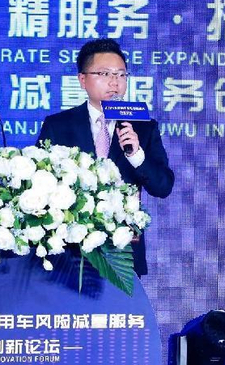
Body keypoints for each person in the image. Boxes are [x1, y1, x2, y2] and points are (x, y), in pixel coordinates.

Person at [37, 39, 174, 275]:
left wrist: (137, 156)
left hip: (123, 255)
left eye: (121, 75)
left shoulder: (143, 127)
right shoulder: (58, 125)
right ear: (82, 80)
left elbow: (163, 186)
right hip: (68, 254)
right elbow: (40, 183)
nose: (115, 82)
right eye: (104, 74)